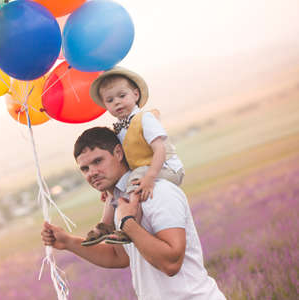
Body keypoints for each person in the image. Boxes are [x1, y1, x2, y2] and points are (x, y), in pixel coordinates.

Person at [41, 127, 226, 299]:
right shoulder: (119, 203)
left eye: (98, 161)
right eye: (85, 168)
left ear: (118, 153)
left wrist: (127, 223)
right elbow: (119, 256)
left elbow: (171, 263)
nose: (92, 173)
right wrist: (68, 242)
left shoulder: (157, 192)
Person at [81, 66, 185, 246]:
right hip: (144, 168)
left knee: (134, 181)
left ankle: (129, 225)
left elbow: (159, 149)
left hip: (166, 167)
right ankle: (105, 225)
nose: (117, 103)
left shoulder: (145, 119)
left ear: (135, 94)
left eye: (122, 96)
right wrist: (110, 190)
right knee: (114, 189)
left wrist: (150, 178)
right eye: (110, 100)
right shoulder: (120, 127)